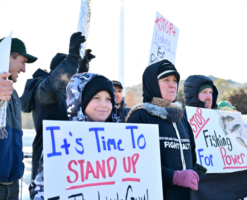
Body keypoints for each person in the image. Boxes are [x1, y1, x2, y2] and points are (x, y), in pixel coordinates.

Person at [20, 32, 95, 180]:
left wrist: (84, 68)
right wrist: (73, 57)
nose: (76, 73)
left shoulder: (71, 94)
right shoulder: (43, 89)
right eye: (74, 70)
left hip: (71, 167)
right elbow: (55, 87)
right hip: (48, 169)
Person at [29, 73, 116, 199]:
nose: (104, 104)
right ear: (80, 99)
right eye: (96, 97)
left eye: (108, 99)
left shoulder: (120, 141)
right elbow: (40, 191)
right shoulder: (62, 142)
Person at [126, 59, 198, 200]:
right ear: (153, 83)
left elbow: (192, 155)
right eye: (166, 80)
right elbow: (137, 164)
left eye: (175, 80)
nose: (172, 85)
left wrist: (194, 172)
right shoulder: (140, 116)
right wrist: (173, 177)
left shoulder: (180, 117)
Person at [0, 37, 37, 200]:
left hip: (13, 186)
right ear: (7, 57)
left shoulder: (14, 94)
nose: (24, 69)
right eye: (22, 62)